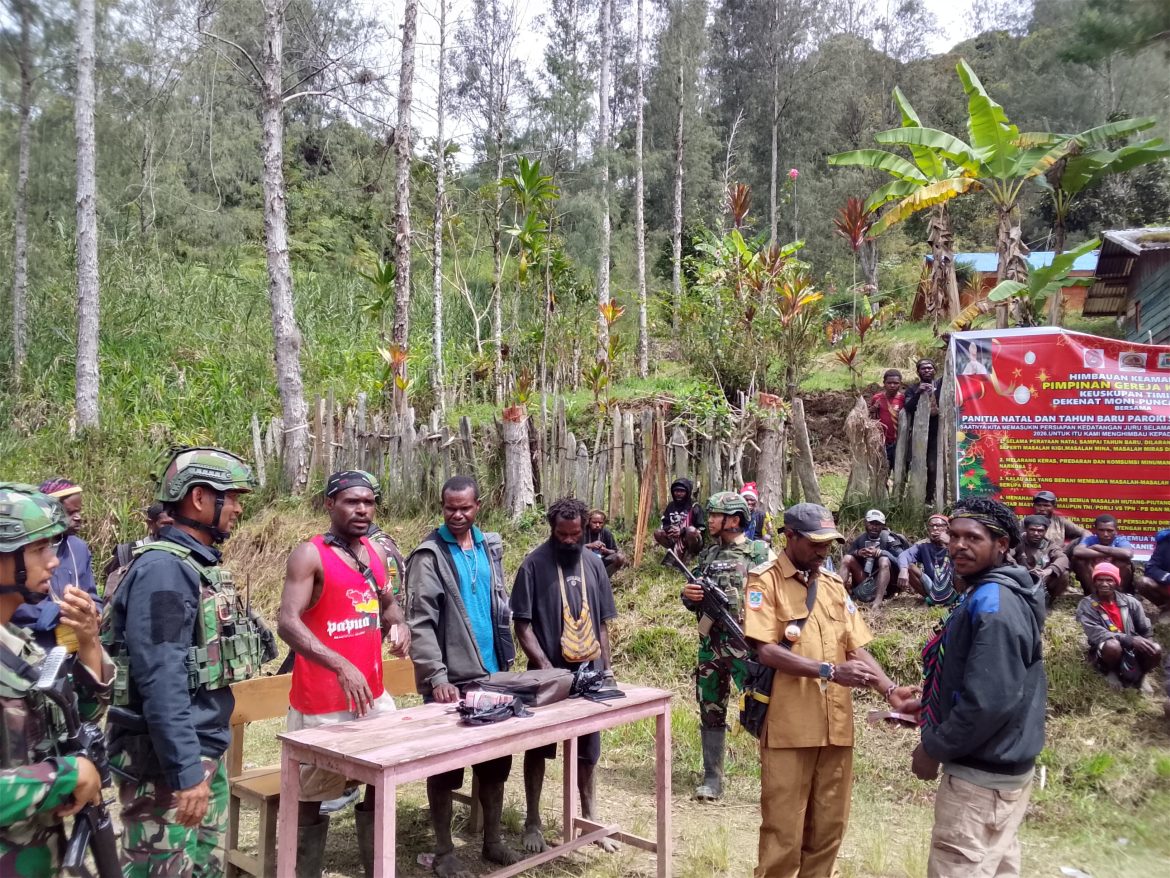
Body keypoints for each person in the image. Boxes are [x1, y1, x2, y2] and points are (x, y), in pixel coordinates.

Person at [102, 447, 267, 878]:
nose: (237, 507)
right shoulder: (163, 570)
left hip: (199, 750)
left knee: (203, 867)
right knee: (161, 869)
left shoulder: (193, 566)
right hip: (166, 759)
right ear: (198, 498)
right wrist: (186, 771)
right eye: (230, 496)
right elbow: (162, 677)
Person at [744, 503, 916, 878]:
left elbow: (855, 647)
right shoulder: (765, 580)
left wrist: (890, 691)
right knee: (783, 830)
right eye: (815, 543)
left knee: (829, 828)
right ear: (789, 537)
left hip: (836, 728)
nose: (823, 551)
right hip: (790, 726)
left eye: (829, 543)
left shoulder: (834, 585)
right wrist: (829, 670)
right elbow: (766, 649)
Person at [277, 471, 411, 877]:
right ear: (329, 504)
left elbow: (389, 608)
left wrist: (399, 626)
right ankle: (302, 870)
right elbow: (287, 622)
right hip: (323, 700)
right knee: (312, 793)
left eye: (368, 502)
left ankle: (376, 866)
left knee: (381, 780)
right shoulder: (310, 554)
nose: (362, 509)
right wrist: (340, 664)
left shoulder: (374, 552)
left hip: (373, 696)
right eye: (352, 501)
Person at [910, 497, 1046, 878]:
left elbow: (988, 700)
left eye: (973, 537)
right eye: (953, 536)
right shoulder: (995, 591)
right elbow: (986, 677)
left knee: (959, 867)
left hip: (980, 781)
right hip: (1000, 769)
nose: (958, 546)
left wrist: (933, 747)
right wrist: (929, 699)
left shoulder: (995, 603)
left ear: (1002, 545)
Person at [406, 475, 521, 876]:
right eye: (450, 508)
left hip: (493, 673)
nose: (457, 515)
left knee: (494, 764)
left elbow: (499, 600)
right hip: (451, 682)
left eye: (465, 508)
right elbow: (420, 621)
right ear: (442, 507)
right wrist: (436, 676)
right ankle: (444, 852)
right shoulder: (429, 555)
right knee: (445, 768)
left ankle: (492, 841)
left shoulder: (489, 546)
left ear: (478, 506)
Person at [1, 484, 114, 877]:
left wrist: (88, 644)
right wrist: (66, 774)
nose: (53, 561)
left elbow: (74, 720)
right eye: (38, 549)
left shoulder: (17, 642)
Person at [511, 498, 619, 854]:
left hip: (589, 676)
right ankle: (532, 821)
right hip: (547, 679)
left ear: (586, 528)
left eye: (576, 534)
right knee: (539, 750)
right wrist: (546, 669)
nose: (570, 540)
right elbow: (522, 625)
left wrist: (607, 668)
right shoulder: (533, 565)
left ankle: (590, 820)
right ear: (552, 529)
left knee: (589, 752)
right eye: (563, 534)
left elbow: (602, 622)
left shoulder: (594, 564)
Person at [682, 491, 771, 801]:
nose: (710, 521)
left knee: (761, 710)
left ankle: (774, 777)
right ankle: (712, 777)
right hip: (710, 646)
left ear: (734, 520)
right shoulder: (708, 555)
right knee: (710, 708)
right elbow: (694, 600)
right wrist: (689, 596)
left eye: (716, 516)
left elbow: (773, 597)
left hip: (745, 647)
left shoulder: (758, 552)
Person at [11, 478, 98, 651]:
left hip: (75, 649)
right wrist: (58, 612)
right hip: (31, 647)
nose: (78, 517)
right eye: (69, 512)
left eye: (78, 511)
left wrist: (95, 611)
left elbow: (91, 594)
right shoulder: (22, 549)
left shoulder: (78, 548)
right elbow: (11, 601)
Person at [1075, 562, 1161, 693]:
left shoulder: (1130, 602)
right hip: (1104, 648)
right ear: (1094, 582)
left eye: (1109, 580)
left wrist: (1147, 647)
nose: (1104, 584)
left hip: (1131, 646)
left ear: (1116, 582)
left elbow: (1145, 629)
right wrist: (1128, 639)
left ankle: (1141, 676)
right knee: (1113, 646)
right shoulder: (1086, 604)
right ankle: (1111, 672)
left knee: (1155, 649)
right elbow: (1096, 634)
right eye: (1100, 580)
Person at [1070, 513, 1155, 597]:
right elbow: (1077, 551)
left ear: (1116, 531)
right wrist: (1110, 553)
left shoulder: (1120, 540)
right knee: (1079, 560)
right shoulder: (1090, 539)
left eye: (1109, 531)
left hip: (1115, 581)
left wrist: (1097, 547)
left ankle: (1119, 595)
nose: (1105, 534)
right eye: (1101, 530)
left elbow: (1128, 553)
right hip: (1095, 580)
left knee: (1124, 562)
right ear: (1095, 530)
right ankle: (1094, 595)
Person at [102, 502, 173, 599]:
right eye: (166, 524)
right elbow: (111, 591)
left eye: (174, 524)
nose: (172, 529)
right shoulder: (128, 552)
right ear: (150, 523)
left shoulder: (185, 552)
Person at [841, 509, 909, 609]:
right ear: (865, 523)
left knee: (884, 560)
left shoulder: (889, 539)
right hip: (866, 581)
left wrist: (882, 553)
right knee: (847, 558)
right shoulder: (861, 539)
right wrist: (858, 553)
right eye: (871, 523)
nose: (874, 527)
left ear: (883, 526)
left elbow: (904, 560)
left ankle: (877, 602)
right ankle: (838, 594)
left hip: (887, 586)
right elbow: (849, 554)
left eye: (878, 524)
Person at [896, 513, 957, 606]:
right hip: (932, 586)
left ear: (947, 528)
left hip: (954, 586)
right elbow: (904, 555)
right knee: (909, 567)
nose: (935, 529)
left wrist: (949, 543)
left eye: (938, 525)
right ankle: (931, 599)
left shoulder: (955, 542)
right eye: (932, 526)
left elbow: (966, 558)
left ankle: (956, 599)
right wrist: (903, 570)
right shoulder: (923, 545)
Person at [1013, 513, 1071, 609]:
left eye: (1040, 531)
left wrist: (1048, 571)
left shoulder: (1050, 545)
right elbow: (1007, 555)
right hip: (1020, 578)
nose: (1036, 533)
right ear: (1026, 529)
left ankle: (1049, 600)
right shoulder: (1017, 541)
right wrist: (1022, 570)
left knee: (1064, 574)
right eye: (1032, 530)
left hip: (1043, 579)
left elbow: (1063, 558)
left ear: (1045, 531)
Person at [903, 359, 940, 499]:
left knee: (932, 467)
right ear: (918, 372)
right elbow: (908, 408)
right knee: (915, 465)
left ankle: (929, 499)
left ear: (935, 370)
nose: (927, 370)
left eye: (930, 368)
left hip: (936, 434)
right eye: (923, 368)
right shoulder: (912, 389)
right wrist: (918, 393)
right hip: (918, 433)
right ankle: (912, 496)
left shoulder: (941, 385)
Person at [653, 477, 705, 562]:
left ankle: (690, 554)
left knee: (691, 531)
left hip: (692, 541)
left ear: (687, 492)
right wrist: (671, 529)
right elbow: (664, 524)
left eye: (682, 491)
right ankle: (674, 552)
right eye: (676, 491)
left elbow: (702, 529)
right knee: (658, 533)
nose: (678, 494)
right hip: (674, 539)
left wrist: (682, 531)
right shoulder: (671, 506)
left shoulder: (695, 507)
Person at [868, 369, 905, 471]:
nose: (892, 385)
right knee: (883, 470)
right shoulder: (877, 398)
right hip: (882, 441)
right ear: (884, 383)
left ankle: (899, 487)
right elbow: (871, 418)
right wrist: (872, 410)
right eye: (889, 383)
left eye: (895, 383)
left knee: (900, 470)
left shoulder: (904, 399)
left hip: (900, 441)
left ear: (900, 384)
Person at [584, 509, 626, 577]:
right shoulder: (582, 531)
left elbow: (614, 551)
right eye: (594, 522)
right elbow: (574, 548)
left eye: (600, 523)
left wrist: (605, 550)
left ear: (603, 523)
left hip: (601, 561)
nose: (597, 525)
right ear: (589, 522)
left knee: (620, 558)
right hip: (585, 562)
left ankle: (603, 578)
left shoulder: (606, 532)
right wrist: (590, 545)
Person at [1138, 527, 1170, 614]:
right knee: (1143, 582)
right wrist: (1167, 577)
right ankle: (1166, 608)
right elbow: (1151, 568)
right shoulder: (1166, 541)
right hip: (1168, 585)